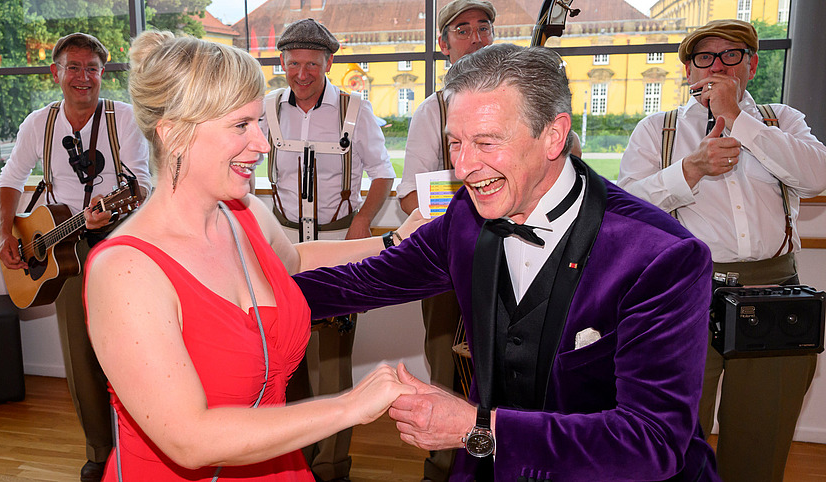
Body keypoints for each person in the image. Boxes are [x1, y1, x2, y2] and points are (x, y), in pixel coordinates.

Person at [294, 44, 719, 481]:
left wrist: (476, 427)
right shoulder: (465, 215)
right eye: (455, 143)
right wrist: (240, 300)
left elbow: (650, 441)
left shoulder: (662, 256)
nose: (464, 167)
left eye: (486, 142)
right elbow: (361, 283)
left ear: (554, 136)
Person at [83, 31, 419, 481]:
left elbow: (295, 261)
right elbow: (190, 439)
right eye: (241, 126)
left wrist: (393, 240)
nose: (262, 145)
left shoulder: (243, 213)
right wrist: (349, 405)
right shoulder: (125, 271)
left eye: (259, 123)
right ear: (174, 134)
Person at [618, 19, 826, 482]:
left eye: (731, 55)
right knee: (674, 432)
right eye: (704, 58)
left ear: (751, 65)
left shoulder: (782, 121)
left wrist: (742, 123)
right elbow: (626, 210)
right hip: (683, 293)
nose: (717, 65)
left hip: (773, 291)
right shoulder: (658, 130)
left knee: (763, 431)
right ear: (688, 70)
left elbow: (818, 177)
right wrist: (688, 170)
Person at [0, 32, 152, 482]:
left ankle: (141, 446)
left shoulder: (123, 119)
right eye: (74, 68)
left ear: (104, 74)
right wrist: (6, 232)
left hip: (118, 239)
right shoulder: (38, 124)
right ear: (56, 73)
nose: (83, 78)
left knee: (129, 348)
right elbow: (11, 180)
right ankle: (99, 452)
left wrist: (111, 209)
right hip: (59, 249)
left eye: (93, 69)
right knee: (79, 355)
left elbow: (139, 185)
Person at [259, 18, 397, 482]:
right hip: (282, 245)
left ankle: (332, 465)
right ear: (282, 62)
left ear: (328, 64)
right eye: (293, 63)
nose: (301, 74)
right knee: (285, 357)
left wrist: (360, 224)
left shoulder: (354, 110)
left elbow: (383, 174)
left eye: (312, 65)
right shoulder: (267, 108)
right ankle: (294, 456)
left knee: (332, 358)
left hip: (338, 241)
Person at [394, 1, 495, 479]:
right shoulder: (430, 112)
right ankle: (444, 465)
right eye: (462, 29)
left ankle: (502, 455)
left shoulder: (519, 99)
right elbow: (410, 192)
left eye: (483, 27)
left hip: (513, 256)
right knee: (445, 361)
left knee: (507, 361)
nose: (475, 37)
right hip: (447, 260)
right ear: (444, 45)